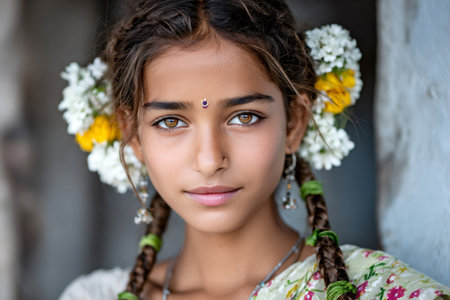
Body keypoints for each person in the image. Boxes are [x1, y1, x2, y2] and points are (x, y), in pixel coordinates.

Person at [58, 0, 450, 299]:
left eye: (244, 117)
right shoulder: (96, 295)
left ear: (294, 122)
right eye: (171, 121)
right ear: (133, 135)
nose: (210, 160)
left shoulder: (378, 290)